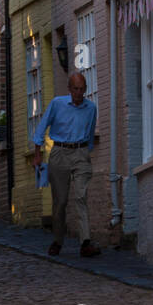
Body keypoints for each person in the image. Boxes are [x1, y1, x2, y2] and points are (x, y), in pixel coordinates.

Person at [33, 72, 101, 258]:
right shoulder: (57, 104)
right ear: (69, 89)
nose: (79, 93)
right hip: (59, 153)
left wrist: (86, 152)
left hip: (80, 153)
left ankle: (85, 242)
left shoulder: (91, 108)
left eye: (82, 89)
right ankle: (58, 240)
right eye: (75, 89)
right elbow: (42, 127)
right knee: (60, 201)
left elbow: (90, 131)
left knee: (80, 197)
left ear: (85, 90)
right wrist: (38, 154)